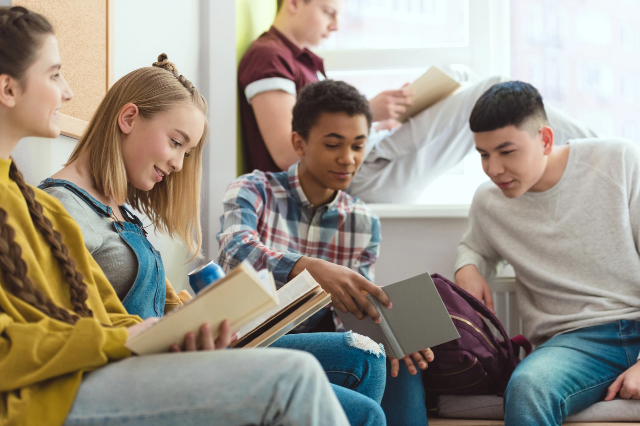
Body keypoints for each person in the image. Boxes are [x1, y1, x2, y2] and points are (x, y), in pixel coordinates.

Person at [0, 6, 354, 426]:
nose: (69, 92)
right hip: (53, 390)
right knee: (297, 377)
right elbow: (88, 328)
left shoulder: (29, 203)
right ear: (8, 88)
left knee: (353, 359)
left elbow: (97, 311)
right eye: (55, 74)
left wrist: (169, 330)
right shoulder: (55, 206)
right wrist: (127, 337)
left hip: (100, 365)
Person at [219, 79, 435, 425]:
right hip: (252, 341)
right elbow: (233, 252)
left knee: (401, 362)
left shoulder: (364, 221)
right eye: (334, 144)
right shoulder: (253, 189)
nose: (348, 159)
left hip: (324, 343)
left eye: (359, 145)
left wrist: (395, 334)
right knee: (361, 354)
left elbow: (351, 312)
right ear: (299, 143)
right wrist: (308, 269)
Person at [238, 0, 596, 203]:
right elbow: (288, 153)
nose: (334, 25)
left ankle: (592, 152)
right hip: (360, 177)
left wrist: (386, 118)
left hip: (370, 164)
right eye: (329, 12)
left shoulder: (300, 62)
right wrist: (370, 113)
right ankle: (596, 150)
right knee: (495, 86)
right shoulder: (269, 58)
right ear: (296, 3)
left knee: (463, 79)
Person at [454, 81, 640, 425]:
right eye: (483, 154)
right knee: (526, 387)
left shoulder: (618, 160)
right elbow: (474, 246)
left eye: (506, 151)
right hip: (573, 344)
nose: (493, 168)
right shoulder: (490, 201)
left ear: (545, 140)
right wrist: (468, 265)